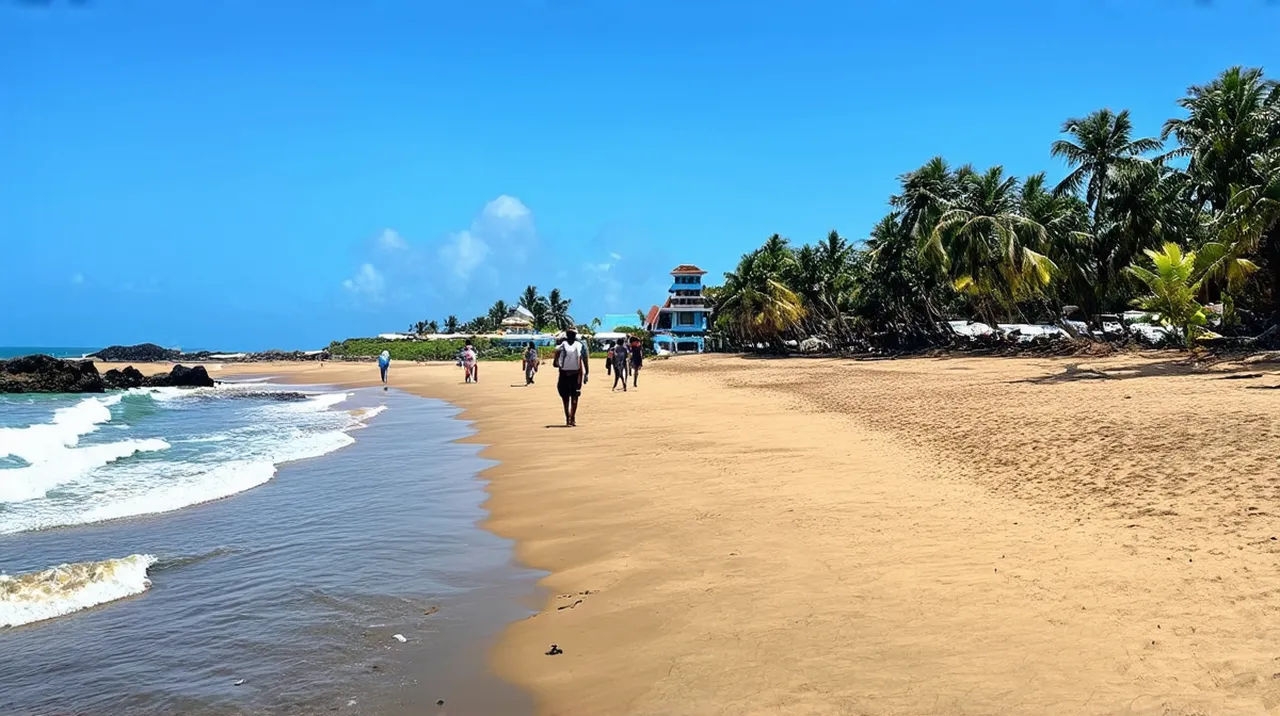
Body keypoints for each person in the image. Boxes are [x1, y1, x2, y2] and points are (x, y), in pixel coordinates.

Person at [553, 328, 589, 426]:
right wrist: (587, 373)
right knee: (575, 397)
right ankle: (573, 418)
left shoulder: (561, 346)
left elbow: (555, 364)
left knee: (565, 398)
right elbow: (585, 360)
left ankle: (567, 418)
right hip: (576, 374)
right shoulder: (581, 345)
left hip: (564, 374)